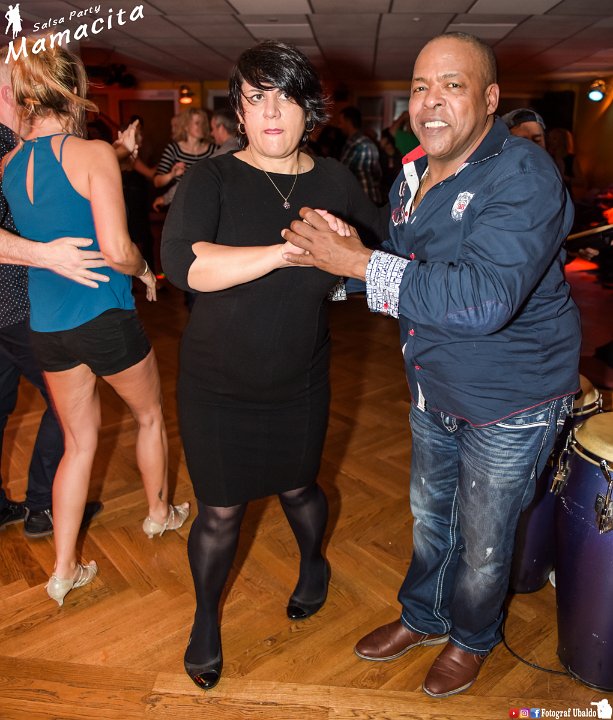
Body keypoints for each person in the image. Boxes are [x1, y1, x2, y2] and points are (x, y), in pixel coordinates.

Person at [282, 32, 580, 698]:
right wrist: (341, 262)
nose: (431, 100)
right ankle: (424, 616)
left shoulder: (522, 173)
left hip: (511, 399)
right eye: (420, 87)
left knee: (483, 541)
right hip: (433, 385)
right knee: (430, 518)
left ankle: (471, 636)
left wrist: (360, 262)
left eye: (452, 84)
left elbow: (481, 300)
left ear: (490, 99)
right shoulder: (413, 171)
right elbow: (406, 268)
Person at [161, 40, 386, 692]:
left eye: (285, 98)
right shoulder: (212, 178)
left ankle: (313, 563)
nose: (270, 112)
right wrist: (285, 252)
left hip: (299, 378)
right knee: (219, 512)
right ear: (238, 110)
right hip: (216, 383)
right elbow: (185, 264)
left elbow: (379, 248)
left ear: (307, 109)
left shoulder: (334, 180)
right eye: (256, 98)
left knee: (299, 488)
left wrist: (349, 248)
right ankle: (206, 621)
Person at [1, 40, 189, 606]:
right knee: (149, 415)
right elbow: (116, 249)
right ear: (75, 91)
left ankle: (63, 571)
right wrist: (147, 271)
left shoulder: (8, 165)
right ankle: (159, 513)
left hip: (48, 326)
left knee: (78, 444)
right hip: (104, 315)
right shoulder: (92, 153)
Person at [0, 58, 106, 538]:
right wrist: (47, 254)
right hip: (16, 307)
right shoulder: (7, 147)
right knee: (70, 402)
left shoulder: (17, 147)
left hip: (14, 307)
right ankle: (44, 505)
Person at [153, 108, 216, 193]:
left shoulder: (213, 149)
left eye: (203, 123)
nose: (202, 126)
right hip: (181, 199)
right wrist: (172, 175)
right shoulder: (174, 149)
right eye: (197, 123)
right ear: (186, 126)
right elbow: (157, 182)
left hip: (206, 198)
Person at [338, 106, 383, 205]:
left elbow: (342, 172)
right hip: (374, 196)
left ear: (348, 122)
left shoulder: (355, 143)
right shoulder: (368, 141)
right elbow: (378, 173)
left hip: (362, 200)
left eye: (341, 122)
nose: (339, 126)